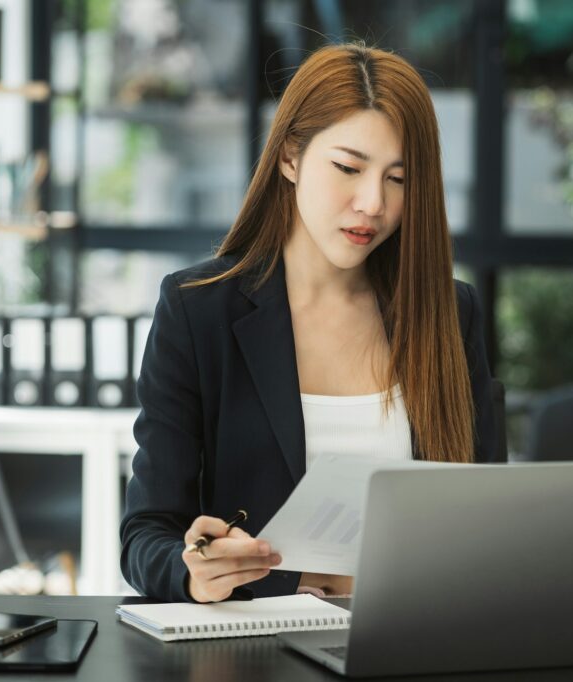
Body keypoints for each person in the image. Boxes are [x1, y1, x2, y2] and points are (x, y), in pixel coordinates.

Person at [120, 42, 498, 604]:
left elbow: (490, 519)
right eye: (348, 167)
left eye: (398, 178)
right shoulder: (198, 310)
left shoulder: (448, 313)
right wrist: (194, 568)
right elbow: (145, 536)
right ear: (290, 158)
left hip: (417, 639)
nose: (372, 203)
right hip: (257, 652)